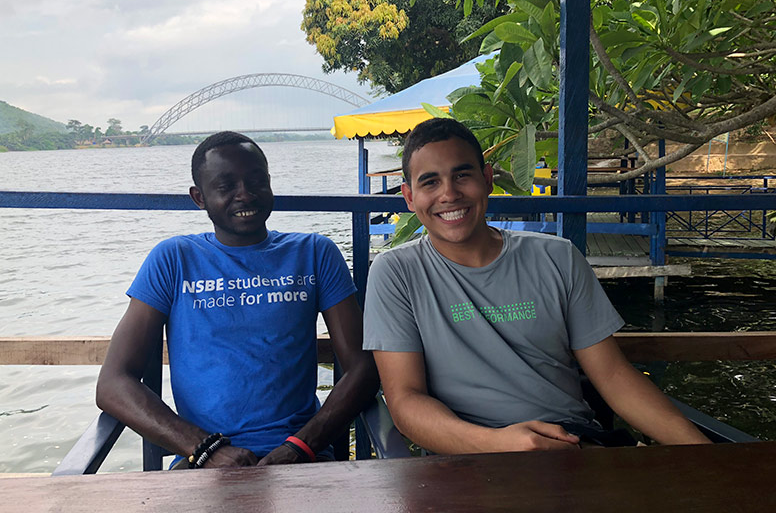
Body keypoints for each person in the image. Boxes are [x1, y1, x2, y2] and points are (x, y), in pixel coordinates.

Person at [363, 118, 710, 454]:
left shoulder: (556, 257)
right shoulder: (396, 273)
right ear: (409, 197)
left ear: (486, 180)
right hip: (465, 458)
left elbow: (614, 376)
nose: (449, 194)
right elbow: (406, 400)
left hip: (570, 444)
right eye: (430, 183)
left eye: (462, 175)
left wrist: (706, 456)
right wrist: (500, 444)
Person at [97, 131, 379, 469]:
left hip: (302, 457)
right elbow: (113, 384)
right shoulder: (174, 260)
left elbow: (363, 368)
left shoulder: (314, 253)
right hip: (204, 462)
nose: (245, 195)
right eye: (226, 186)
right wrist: (206, 449)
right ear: (199, 198)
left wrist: (299, 447)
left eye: (257, 181)